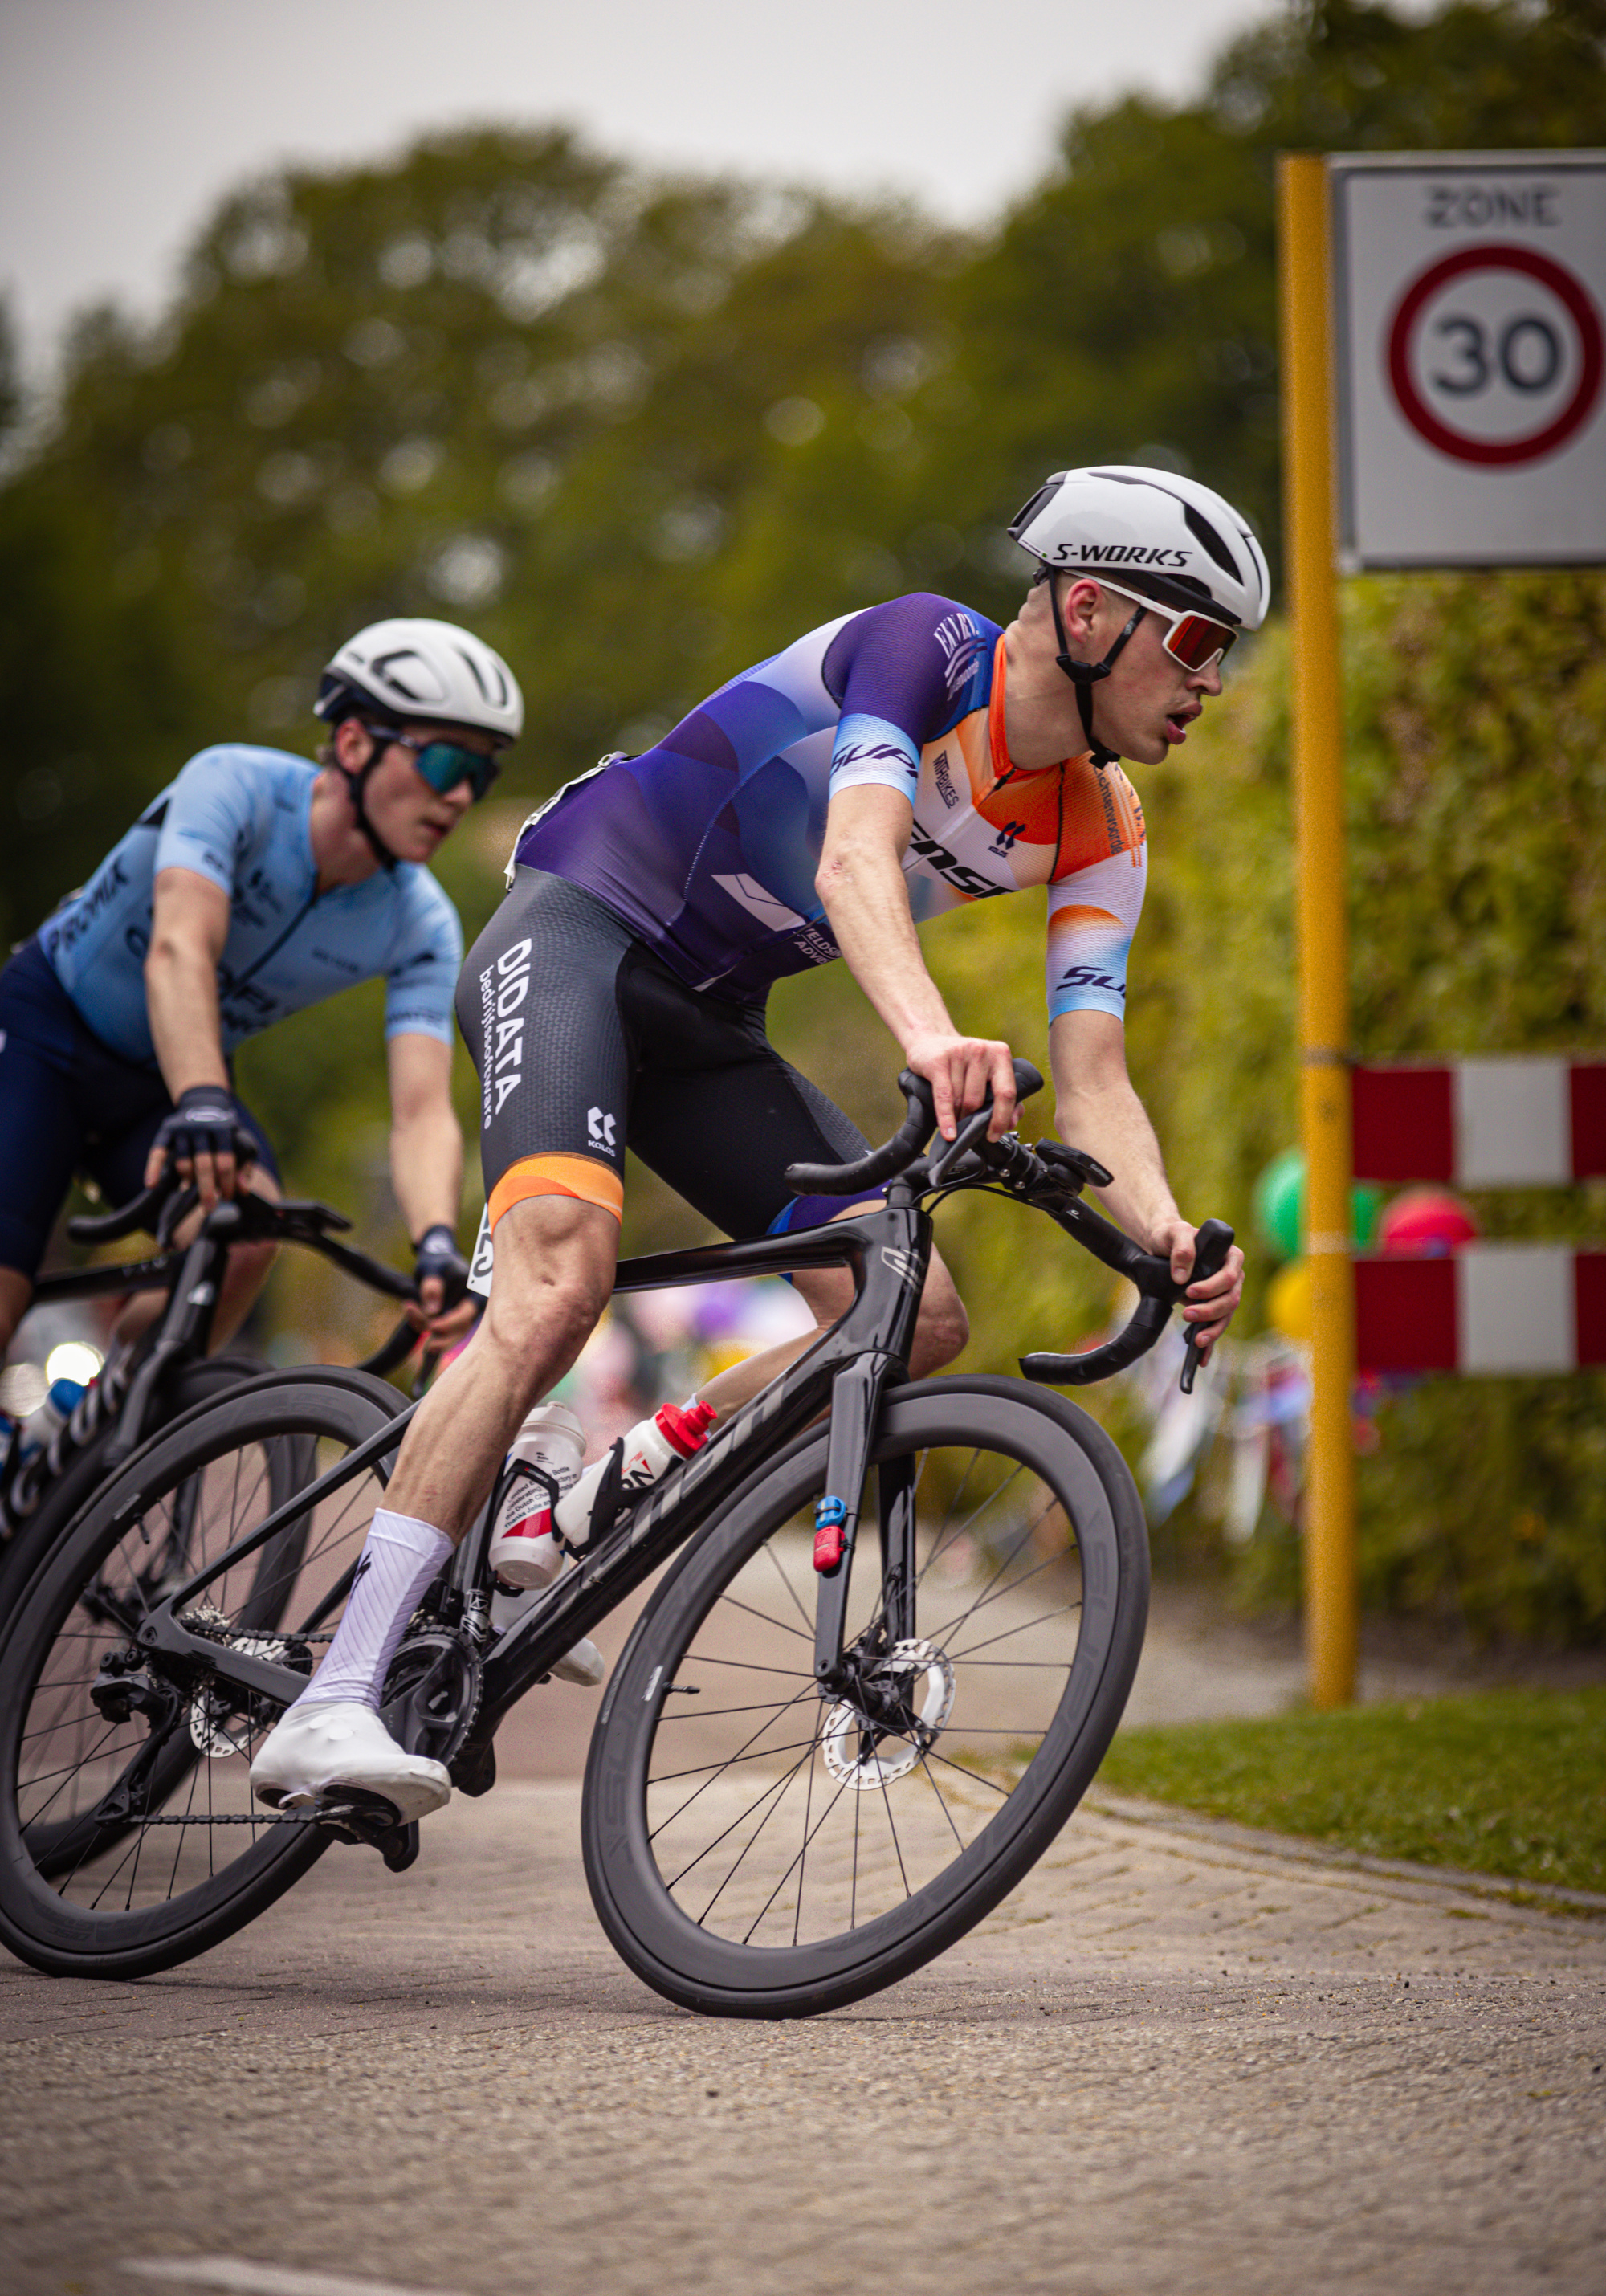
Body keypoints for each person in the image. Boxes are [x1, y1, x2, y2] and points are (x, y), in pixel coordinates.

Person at [251, 463, 1257, 1821]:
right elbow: (854, 860)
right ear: (1088, 610)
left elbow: (1095, 1085)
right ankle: (333, 1698)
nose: (1210, 684)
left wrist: (1166, 1226)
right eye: (1196, 640)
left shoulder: (1105, 823)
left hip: (707, 1016)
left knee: (916, 1318)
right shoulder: (925, 648)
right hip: (581, 932)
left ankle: (600, 1486)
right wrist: (928, 1037)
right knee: (559, 1280)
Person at [0, 617, 524, 1389]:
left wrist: (437, 1243)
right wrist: (206, 1098)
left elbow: (421, 1111)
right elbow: (180, 949)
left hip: (157, 1083)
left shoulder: (422, 920)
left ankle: (98, 1423)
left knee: (248, 1238)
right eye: (444, 761)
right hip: (49, 1033)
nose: (456, 795)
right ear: (353, 744)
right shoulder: (235, 786)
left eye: (479, 778)